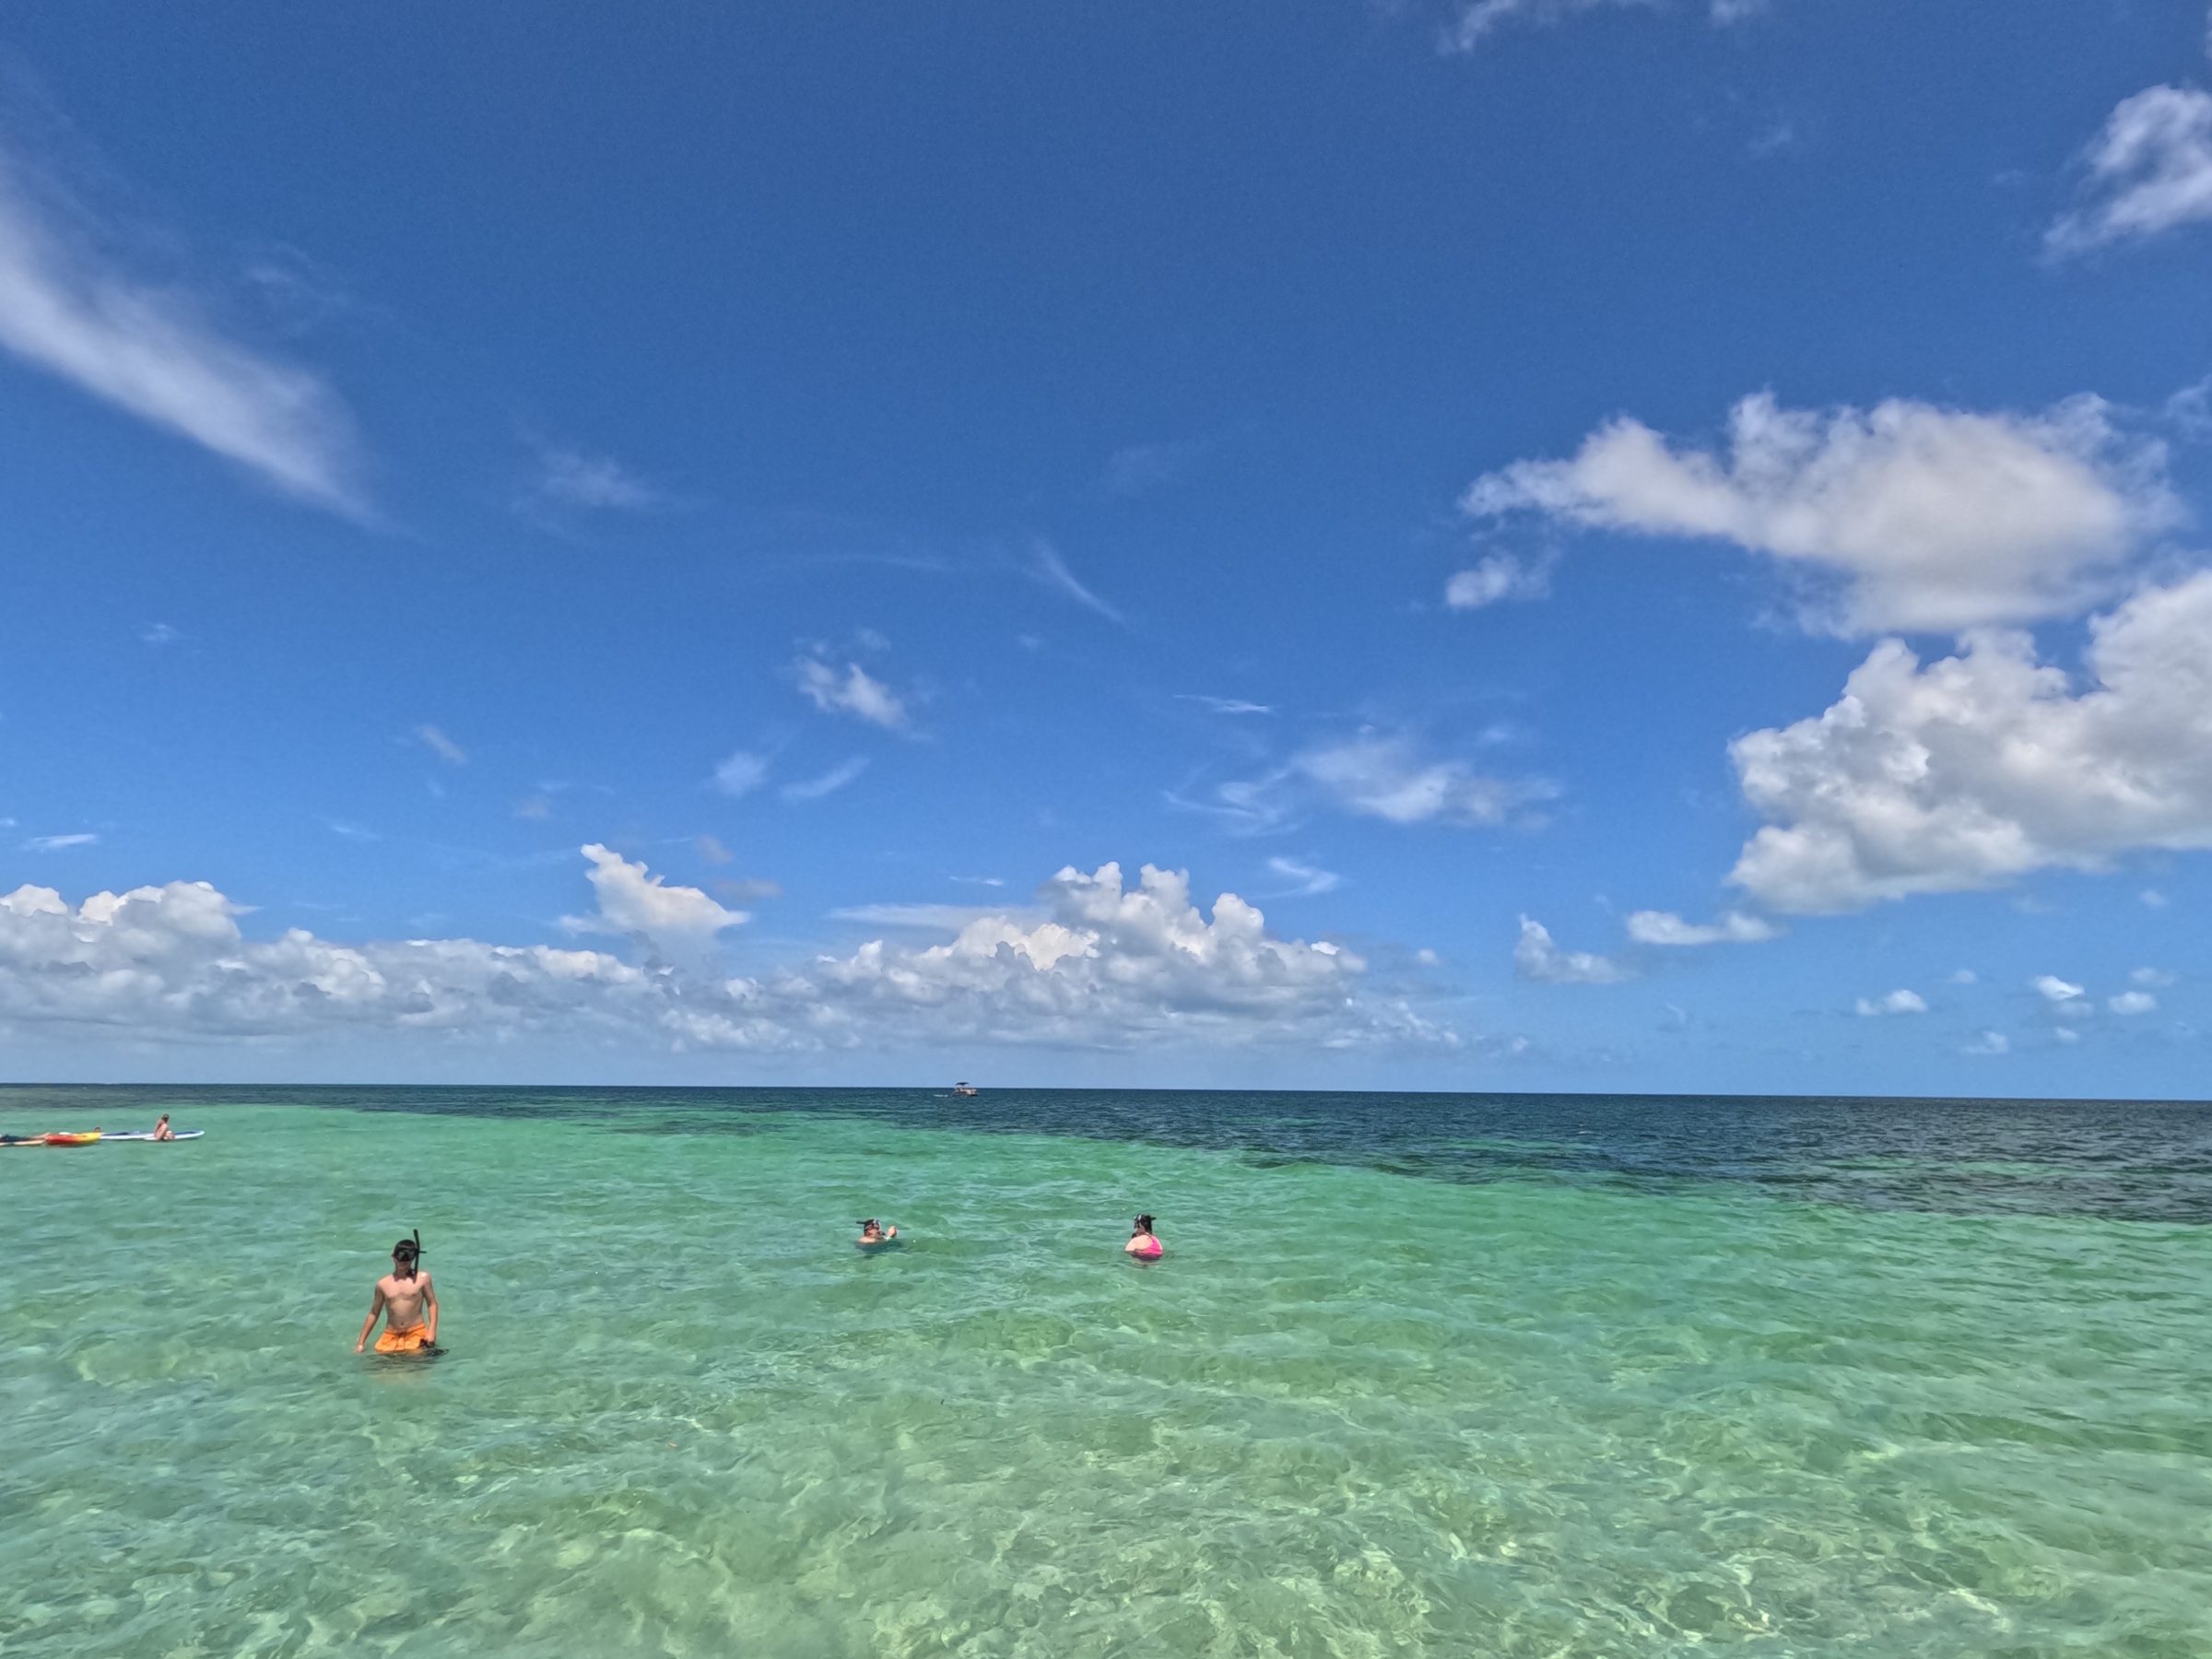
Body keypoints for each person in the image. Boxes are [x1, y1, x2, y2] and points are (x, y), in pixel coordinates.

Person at [355, 1232, 439, 1354]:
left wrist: (432, 1332)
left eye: (407, 1261)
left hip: (416, 1331)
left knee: (416, 1362)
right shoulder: (383, 1284)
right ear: (393, 1257)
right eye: (400, 1261)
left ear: (413, 1259)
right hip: (391, 1335)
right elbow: (374, 1313)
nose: (403, 1265)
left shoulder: (422, 1278)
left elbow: (432, 1304)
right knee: (379, 1367)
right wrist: (360, 1343)